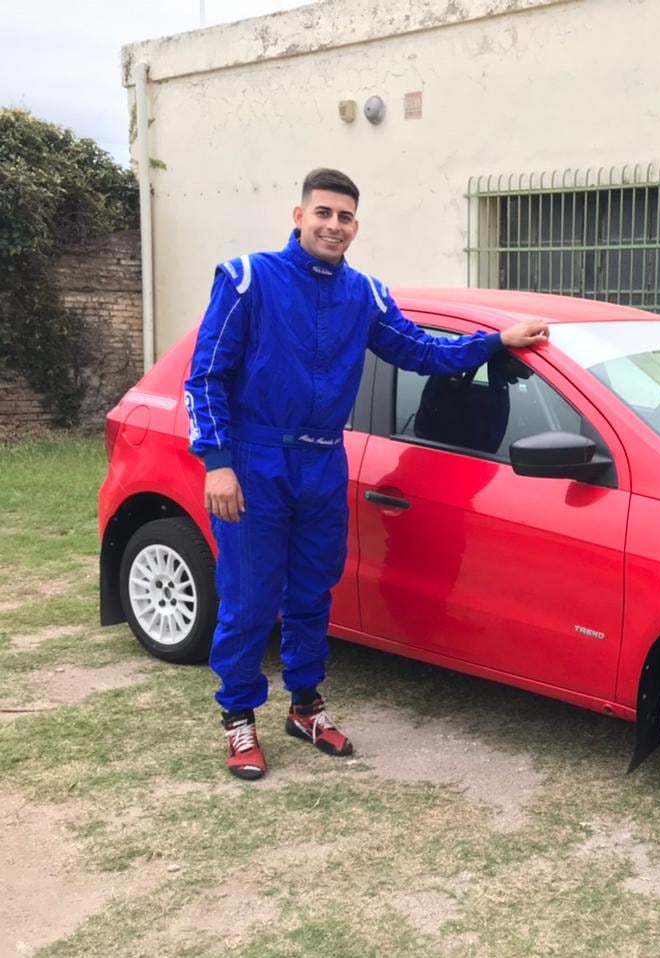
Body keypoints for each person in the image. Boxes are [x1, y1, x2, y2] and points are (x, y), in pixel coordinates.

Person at [183, 168, 548, 780]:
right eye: (323, 213)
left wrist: (495, 341)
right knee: (249, 598)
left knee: (312, 591)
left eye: (345, 216)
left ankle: (305, 706)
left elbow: (421, 352)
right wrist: (218, 464)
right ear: (298, 217)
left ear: (356, 226)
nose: (334, 225)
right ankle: (239, 716)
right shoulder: (249, 280)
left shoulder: (364, 294)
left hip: (324, 459)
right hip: (254, 460)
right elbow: (206, 377)